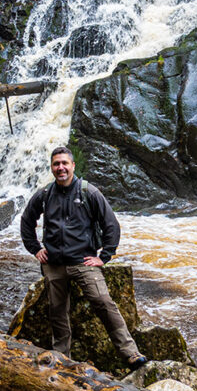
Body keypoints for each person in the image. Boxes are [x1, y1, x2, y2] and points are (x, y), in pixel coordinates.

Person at [20, 144, 146, 369]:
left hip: (83, 262)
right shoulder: (45, 194)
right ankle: (61, 359)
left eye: (64, 163)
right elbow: (27, 221)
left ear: (73, 165)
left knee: (103, 302)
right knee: (57, 312)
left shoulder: (89, 192)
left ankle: (130, 352)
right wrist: (35, 248)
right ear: (51, 167)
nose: (61, 168)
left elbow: (111, 225)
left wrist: (104, 257)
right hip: (54, 264)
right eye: (56, 164)